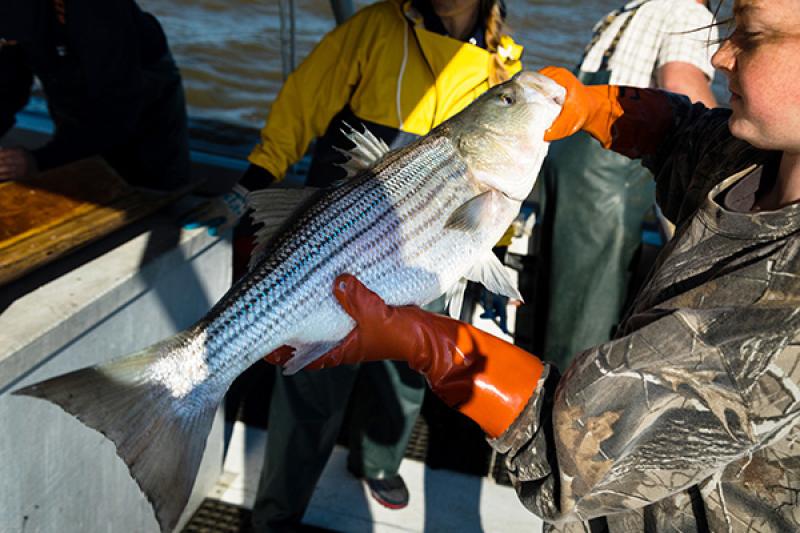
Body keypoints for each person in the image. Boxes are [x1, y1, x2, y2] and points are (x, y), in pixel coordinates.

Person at [268, 0, 800, 530]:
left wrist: (429, 344)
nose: (721, 54)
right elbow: (684, 135)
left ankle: (367, 462)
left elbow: (567, 446)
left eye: (749, 35)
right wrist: (594, 108)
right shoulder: (753, 159)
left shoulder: (782, 314)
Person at [204, 0, 525, 529]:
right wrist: (257, 176)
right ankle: (277, 511)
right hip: (342, 233)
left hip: (434, 242)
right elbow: (305, 98)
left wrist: (494, 243)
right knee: (310, 378)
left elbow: (499, 180)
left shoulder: (503, 64)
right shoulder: (377, 26)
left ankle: (378, 460)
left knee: (405, 374)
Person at [537, 0, 719, 371]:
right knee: (585, 314)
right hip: (608, 181)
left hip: (565, 163)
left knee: (552, 300)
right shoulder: (689, 14)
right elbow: (680, 82)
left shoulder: (630, 10)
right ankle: (567, 406)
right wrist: (728, 145)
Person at [0, 0, 190, 190]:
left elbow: (118, 109)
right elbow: (10, 87)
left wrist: (38, 161)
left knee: (149, 185)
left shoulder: (98, 10)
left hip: (142, 107)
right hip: (74, 100)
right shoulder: (16, 20)